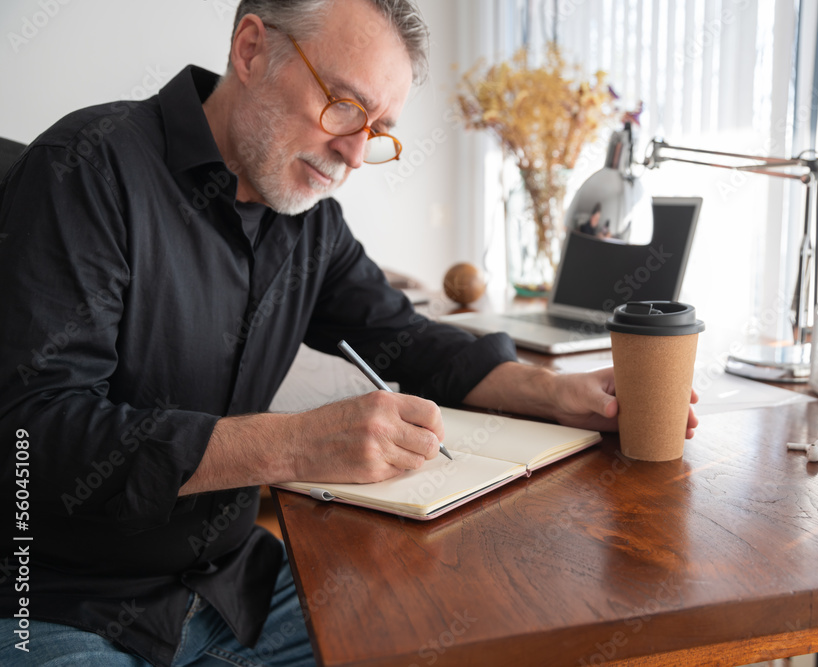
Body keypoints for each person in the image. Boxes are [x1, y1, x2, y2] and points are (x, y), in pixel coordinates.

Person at [0, 1, 699, 665]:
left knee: (475, 635)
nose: (357, 154)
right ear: (252, 50)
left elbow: (406, 338)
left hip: (231, 589)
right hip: (59, 602)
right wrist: (296, 444)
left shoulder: (307, 222)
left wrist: (556, 393)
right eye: (343, 104)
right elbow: (31, 434)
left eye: (379, 127)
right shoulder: (85, 168)